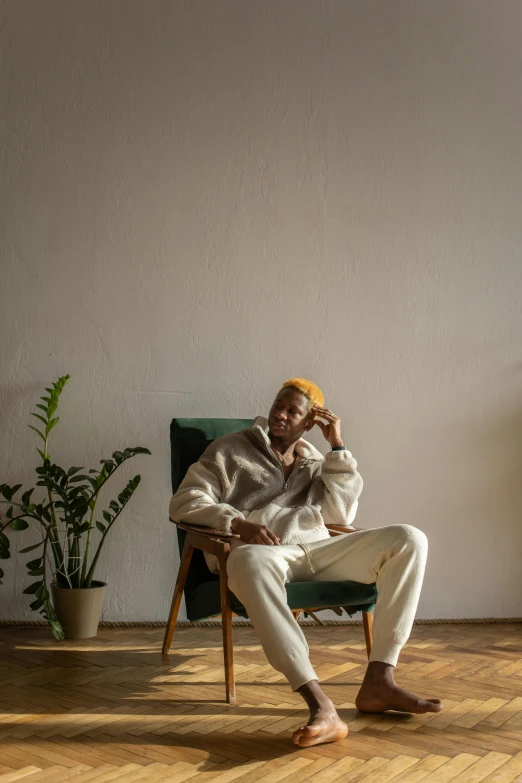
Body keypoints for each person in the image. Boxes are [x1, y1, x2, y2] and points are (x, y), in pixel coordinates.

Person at [169, 378, 442, 747]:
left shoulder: (317, 460)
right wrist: (238, 523)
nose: (280, 414)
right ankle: (319, 703)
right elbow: (185, 500)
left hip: (316, 548)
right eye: (278, 405)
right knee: (247, 560)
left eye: (293, 411)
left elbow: (340, 513)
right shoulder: (229, 449)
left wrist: (338, 448)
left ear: (310, 422)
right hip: (261, 553)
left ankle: (380, 679)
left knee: (410, 538)